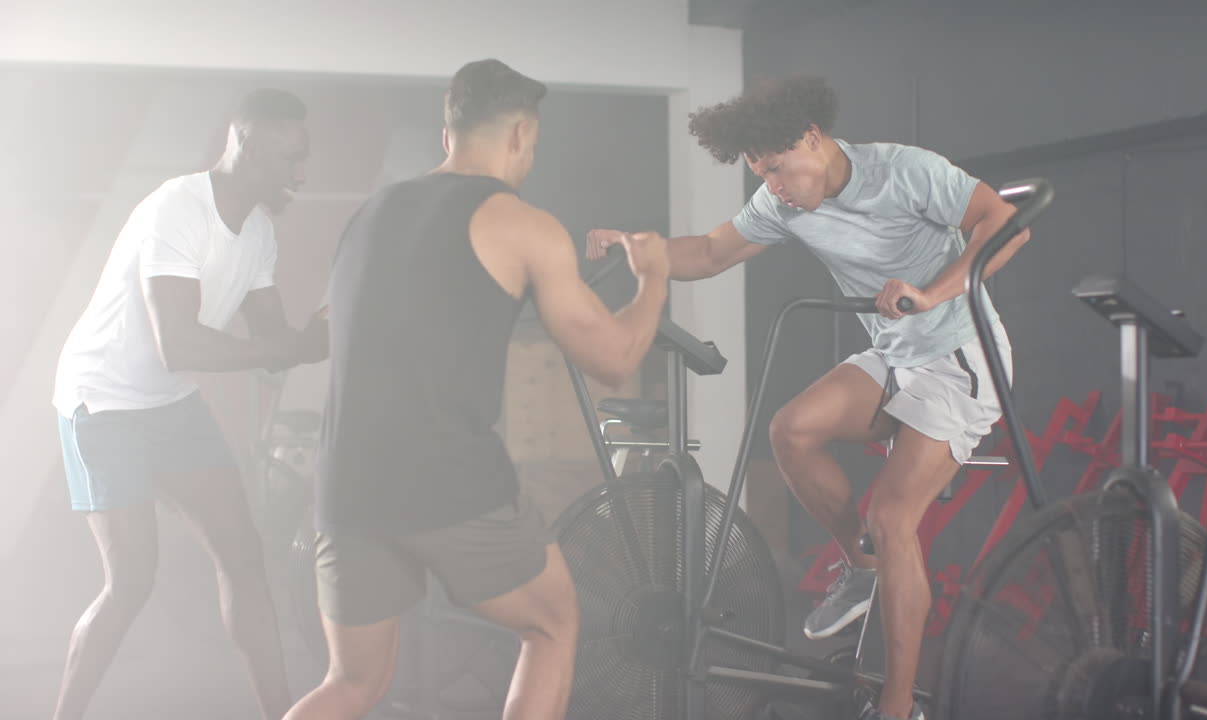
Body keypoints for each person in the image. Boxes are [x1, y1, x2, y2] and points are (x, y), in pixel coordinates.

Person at [587, 75, 1028, 720]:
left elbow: (1007, 226)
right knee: (791, 430)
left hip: (961, 357)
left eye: (776, 169)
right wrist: (637, 248)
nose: (773, 186)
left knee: (893, 519)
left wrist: (932, 293)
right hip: (896, 354)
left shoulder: (904, 171)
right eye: (760, 174)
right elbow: (709, 252)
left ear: (812, 139)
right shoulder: (783, 203)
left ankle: (898, 706)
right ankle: (861, 567)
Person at [282, 59, 670, 720]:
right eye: (533, 145)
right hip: (450, 483)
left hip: (346, 485)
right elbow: (616, 358)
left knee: (352, 683)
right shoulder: (523, 224)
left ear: (447, 137)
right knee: (551, 625)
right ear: (520, 134)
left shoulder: (371, 213)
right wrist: (653, 276)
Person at [51, 88, 327, 720]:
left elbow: (273, 345)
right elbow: (178, 344)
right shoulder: (177, 207)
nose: (301, 176)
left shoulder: (258, 232)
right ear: (247, 147)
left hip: (168, 404)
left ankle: (280, 713)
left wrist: (322, 333)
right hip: (102, 401)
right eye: (291, 159)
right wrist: (294, 346)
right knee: (131, 582)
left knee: (244, 555)